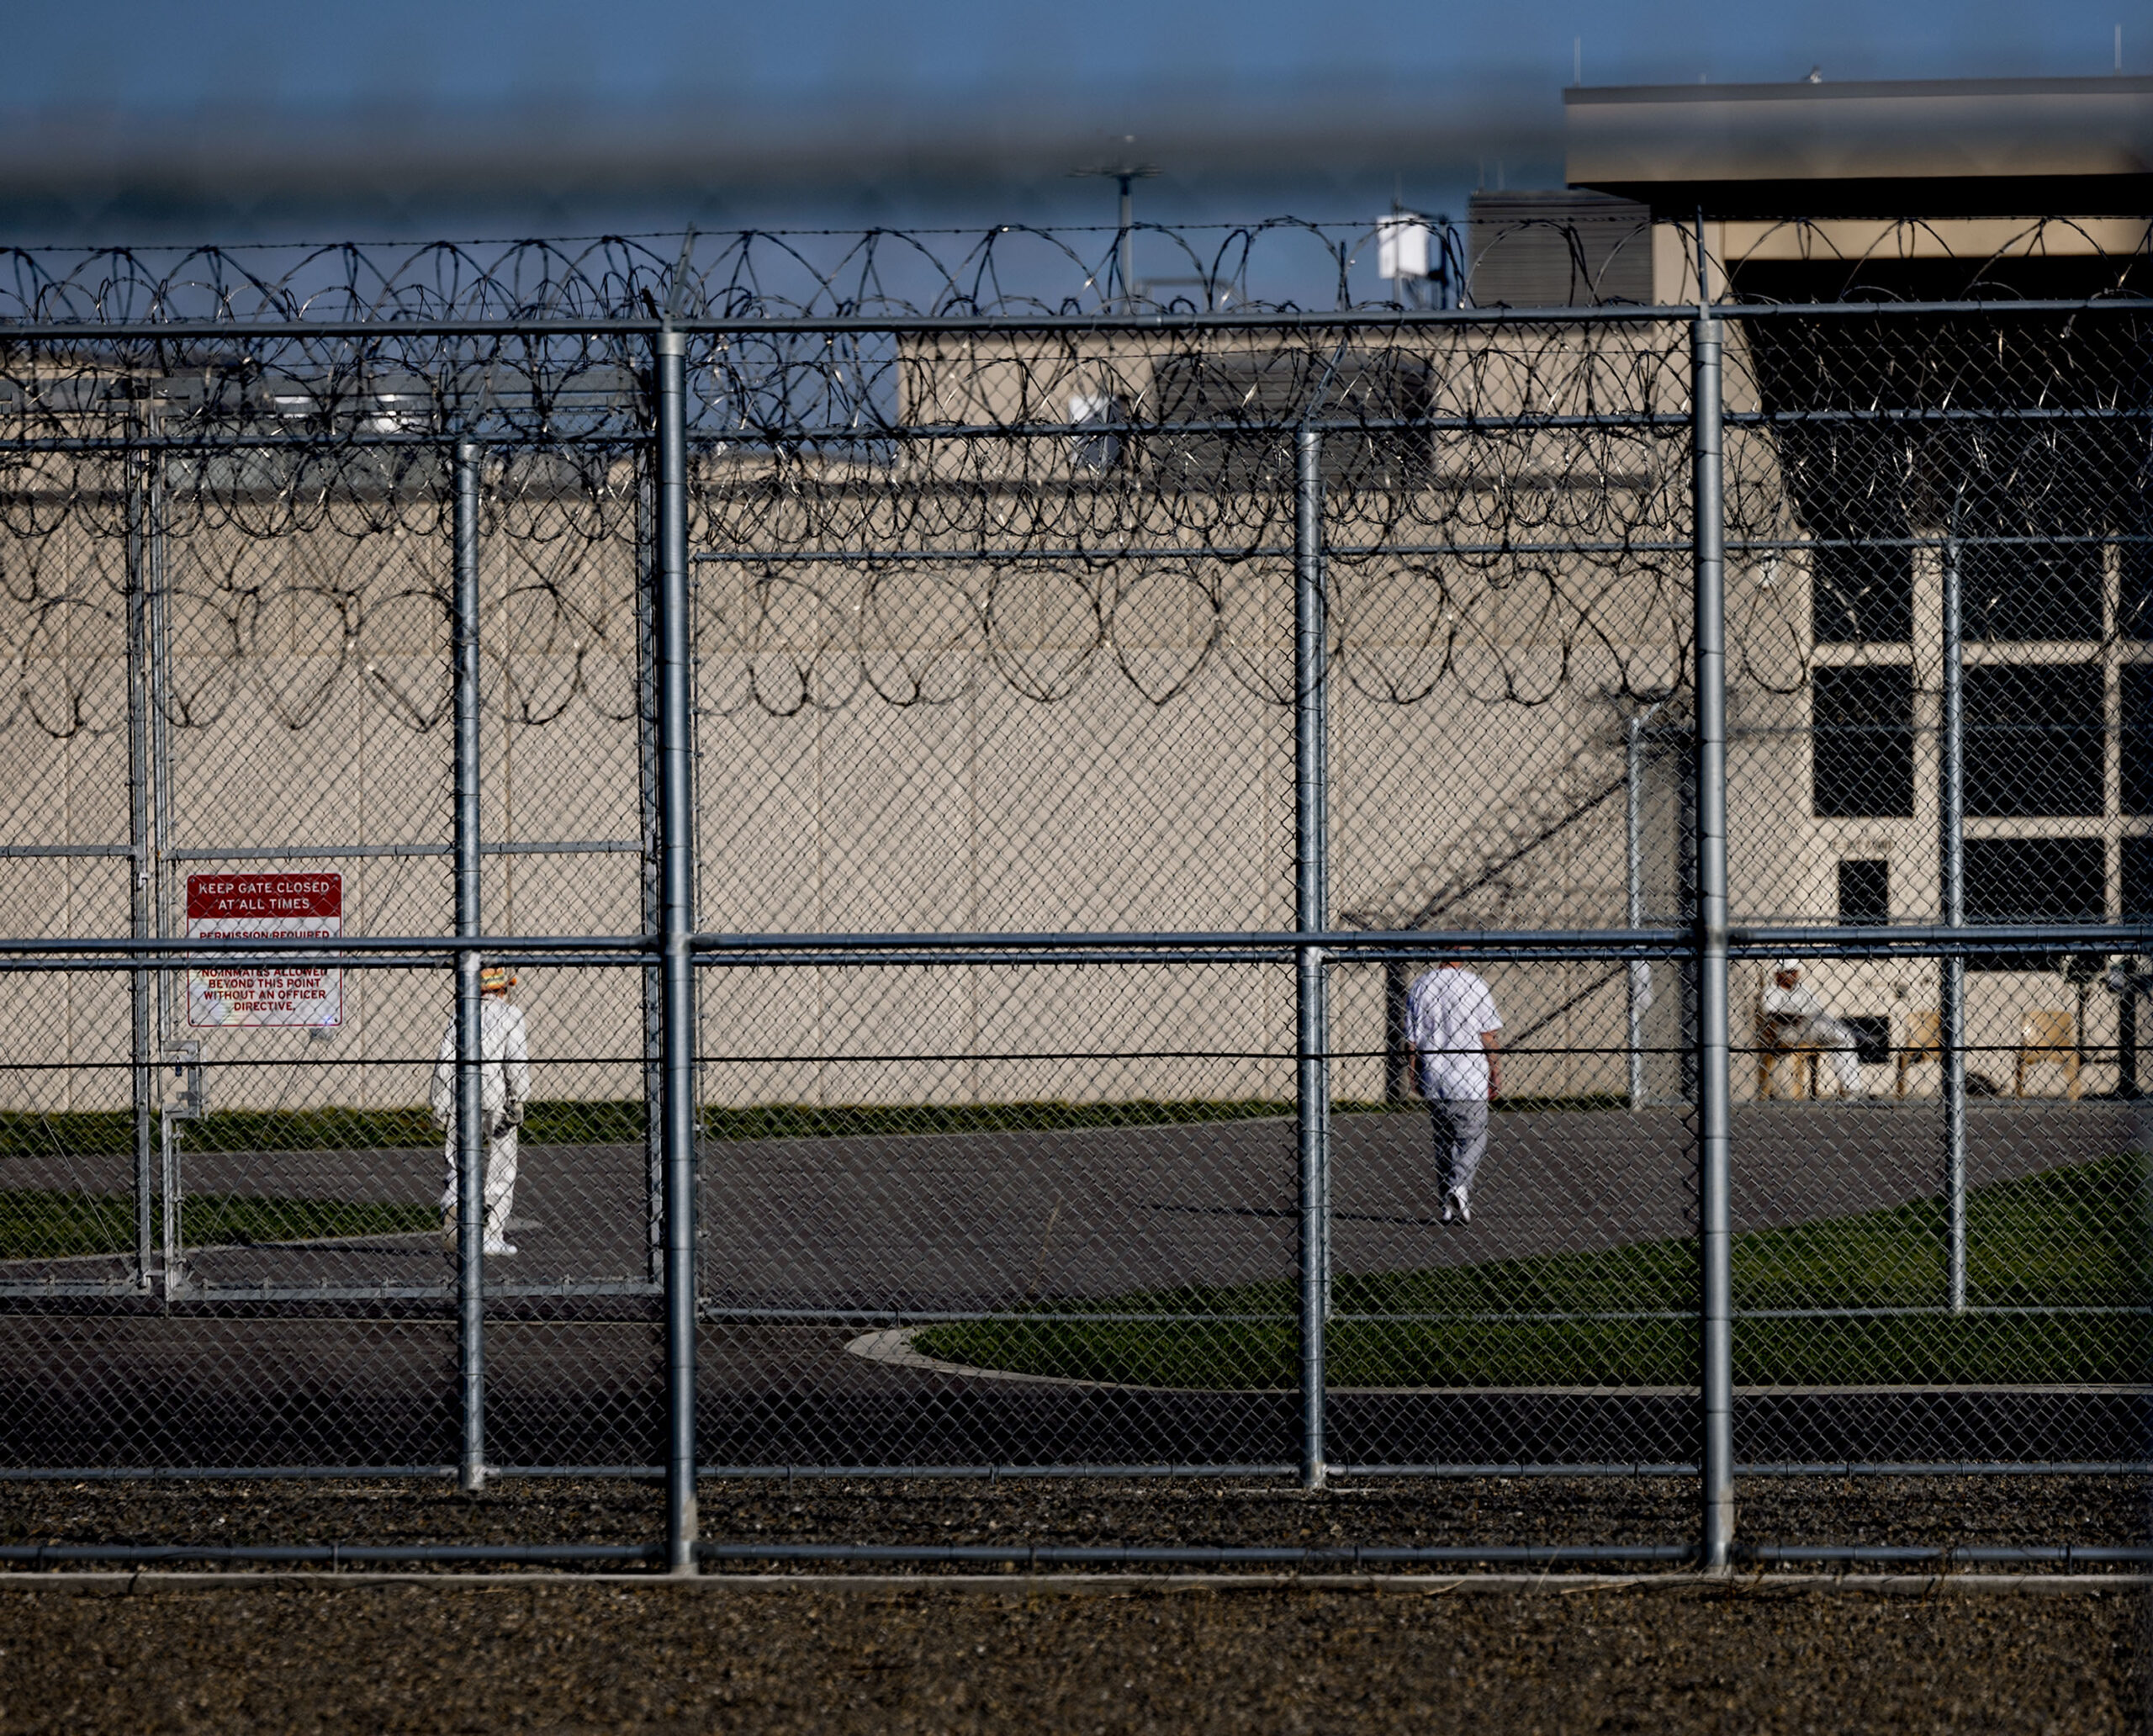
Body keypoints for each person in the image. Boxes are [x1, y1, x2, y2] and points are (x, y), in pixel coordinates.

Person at [431, 965, 532, 1256]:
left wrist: (439, 1104)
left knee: (459, 1158)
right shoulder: (511, 1015)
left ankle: (453, 1200)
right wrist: (518, 1098)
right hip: (495, 1096)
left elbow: (445, 1061)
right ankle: (490, 1233)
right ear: (502, 989)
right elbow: (515, 1062)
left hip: (461, 1095)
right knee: (501, 1166)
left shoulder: (460, 1014)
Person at [1403, 954, 1504, 1225]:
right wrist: (1495, 1070)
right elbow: (1488, 1036)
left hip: (1436, 1074)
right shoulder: (1475, 984)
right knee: (1475, 1137)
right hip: (1468, 1075)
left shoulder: (1421, 986)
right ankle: (1458, 1185)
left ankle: (1449, 1204)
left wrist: (1413, 1071)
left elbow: (1411, 1040)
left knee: (1444, 1142)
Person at [1761, 959, 1864, 1098]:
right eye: (1789, 973)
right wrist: (1796, 1016)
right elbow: (1772, 1014)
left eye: (1795, 973)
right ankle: (1847, 1033)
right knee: (1828, 1027)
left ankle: (1852, 1090)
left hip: (1812, 1028)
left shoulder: (1802, 989)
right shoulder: (1771, 991)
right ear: (1778, 974)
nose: (1793, 977)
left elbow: (1818, 1009)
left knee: (1844, 1040)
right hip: (1790, 1032)